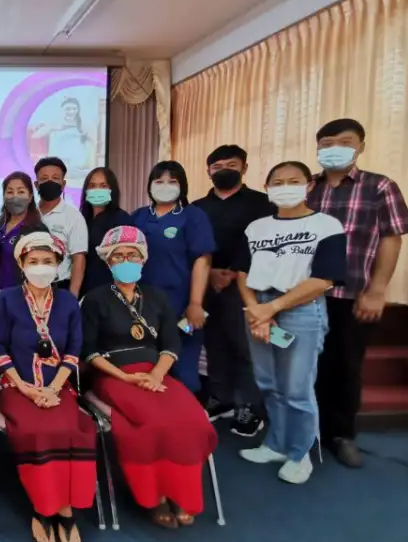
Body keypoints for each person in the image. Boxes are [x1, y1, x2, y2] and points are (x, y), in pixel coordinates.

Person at [81, 225, 217, 528]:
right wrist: (125, 377)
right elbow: (88, 350)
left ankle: (181, 492)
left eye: (132, 255)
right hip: (113, 376)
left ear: (143, 259)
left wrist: (156, 374)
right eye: (118, 256)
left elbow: (171, 343)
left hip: (156, 375)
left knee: (192, 419)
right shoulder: (95, 299)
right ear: (108, 261)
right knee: (153, 424)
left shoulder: (157, 297)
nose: (126, 261)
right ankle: (154, 496)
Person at [306, 118, 408, 468]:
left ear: (360, 146)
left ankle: (341, 435)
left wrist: (377, 289)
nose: (334, 149)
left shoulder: (379, 186)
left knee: (346, 365)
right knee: (305, 364)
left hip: (353, 294)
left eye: (344, 142)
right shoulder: (306, 187)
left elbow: (391, 238)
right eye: (326, 143)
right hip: (305, 295)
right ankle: (306, 430)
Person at [235, 161, 347, 484]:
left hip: (301, 309)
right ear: (267, 187)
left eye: (293, 181)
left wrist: (272, 309)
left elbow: (324, 279)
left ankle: (300, 453)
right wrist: (256, 309)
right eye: (278, 182)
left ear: (309, 185)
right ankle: (276, 444)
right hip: (258, 305)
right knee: (268, 382)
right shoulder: (256, 228)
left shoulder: (326, 225)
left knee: (297, 388)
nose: (285, 187)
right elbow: (242, 273)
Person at [0, 226, 97, 542]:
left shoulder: (68, 302)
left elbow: (74, 350)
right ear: (22, 264)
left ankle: (63, 510)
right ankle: (43, 508)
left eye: (48, 261)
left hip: (58, 386)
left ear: (58, 265)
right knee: (36, 429)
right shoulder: (6, 299)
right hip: (15, 385)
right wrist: (26, 389)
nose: (41, 267)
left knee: (69, 428)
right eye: (34, 261)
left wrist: (52, 388)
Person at [192, 145, 276, 436]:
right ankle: (221, 398)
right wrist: (211, 272)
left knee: (246, 348)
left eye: (231, 165)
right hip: (206, 283)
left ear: (244, 168)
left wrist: (234, 271)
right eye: (217, 167)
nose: (224, 171)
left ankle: (250, 406)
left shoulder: (262, 204)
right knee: (214, 344)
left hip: (247, 285)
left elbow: (264, 244)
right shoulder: (197, 207)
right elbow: (193, 245)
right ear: (208, 171)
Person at [130, 161, 215, 395]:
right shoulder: (138, 216)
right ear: (150, 185)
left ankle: (189, 412)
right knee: (147, 366)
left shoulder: (192, 216)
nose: (165, 186)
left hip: (180, 305)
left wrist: (195, 303)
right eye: (159, 181)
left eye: (172, 181)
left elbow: (202, 260)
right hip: (142, 304)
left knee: (183, 369)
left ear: (182, 186)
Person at [34, 157, 88, 297]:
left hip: (59, 287)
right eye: (44, 178)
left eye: (55, 178)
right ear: (36, 185)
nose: (50, 182)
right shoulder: (29, 213)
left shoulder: (73, 217)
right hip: (28, 286)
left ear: (63, 184)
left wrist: (72, 297)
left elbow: (78, 259)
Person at [79, 166, 133, 294]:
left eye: (103, 186)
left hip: (111, 289)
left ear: (112, 190)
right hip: (83, 288)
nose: (97, 190)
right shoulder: (80, 218)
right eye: (92, 186)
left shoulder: (121, 219)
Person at [0, 172, 42, 291]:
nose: (15, 197)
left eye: (21, 192)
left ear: (30, 197)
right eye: (10, 192)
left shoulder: (37, 230)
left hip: (22, 294)